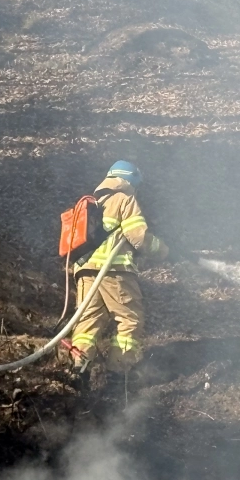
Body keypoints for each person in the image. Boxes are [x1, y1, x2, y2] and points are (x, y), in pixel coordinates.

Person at [66, 162, 169, 392]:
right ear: (130, 181)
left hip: (85, 271)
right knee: (130, 319)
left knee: (87, 323)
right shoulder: (124, 198)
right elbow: (138, 237)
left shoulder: (94, 202)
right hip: (114, 271)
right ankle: (117, 374)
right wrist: (162, 250)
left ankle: (78, 370)